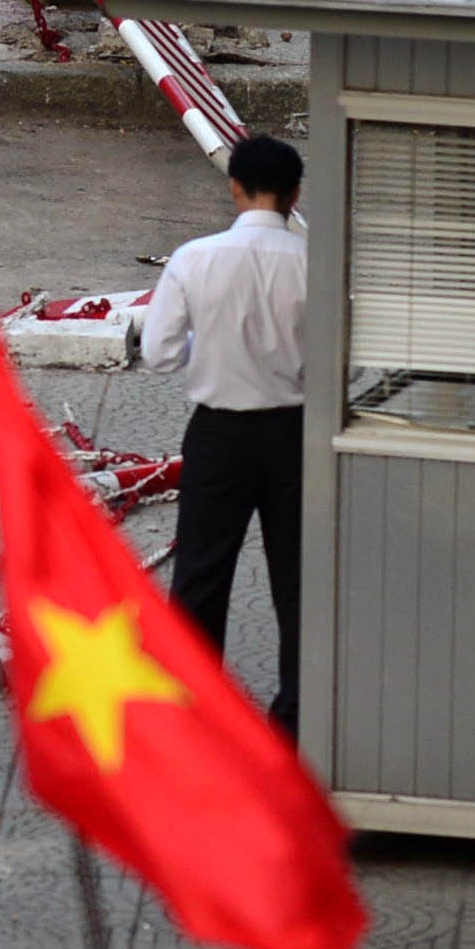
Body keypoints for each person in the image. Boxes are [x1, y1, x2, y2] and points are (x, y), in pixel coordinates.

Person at [142, 132, 309, 727]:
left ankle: (195, 714)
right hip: (295, 437)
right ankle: (294, 718)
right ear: (294, 193)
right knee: (299, 581)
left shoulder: (194, 258)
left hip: (217, 437)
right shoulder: (314, 263)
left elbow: (159, 354)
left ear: (234, 187)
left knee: (201, 576)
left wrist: (209, 350)